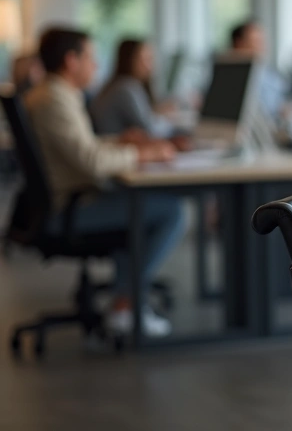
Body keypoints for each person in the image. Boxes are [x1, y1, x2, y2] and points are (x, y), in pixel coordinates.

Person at [23, 28, 186, 337]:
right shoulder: (54, 100)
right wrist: (143, 156)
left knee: (144, 207)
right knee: (171, 212)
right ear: (71, 61)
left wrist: (121, 143)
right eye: (91, 58)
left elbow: (84, 149)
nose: (96, 66)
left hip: (69, 200)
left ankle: (125, 300)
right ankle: (125, 304)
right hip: (70, 208)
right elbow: (93, 163)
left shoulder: (54, 94)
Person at [90, 38, 179, 143]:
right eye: (145, 59)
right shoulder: (126, 88)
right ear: (129, 60)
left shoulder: (119, 84)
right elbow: (149, 129)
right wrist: (169, 121)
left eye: (151, 59)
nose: (151, 66)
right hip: (118, 150)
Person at [229, 18, 285, 118]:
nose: (262, 48)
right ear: (239, 44)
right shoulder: (229, 76)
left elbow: (285, 93)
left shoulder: (266, 72)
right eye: (256, 42)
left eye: (262, 42)